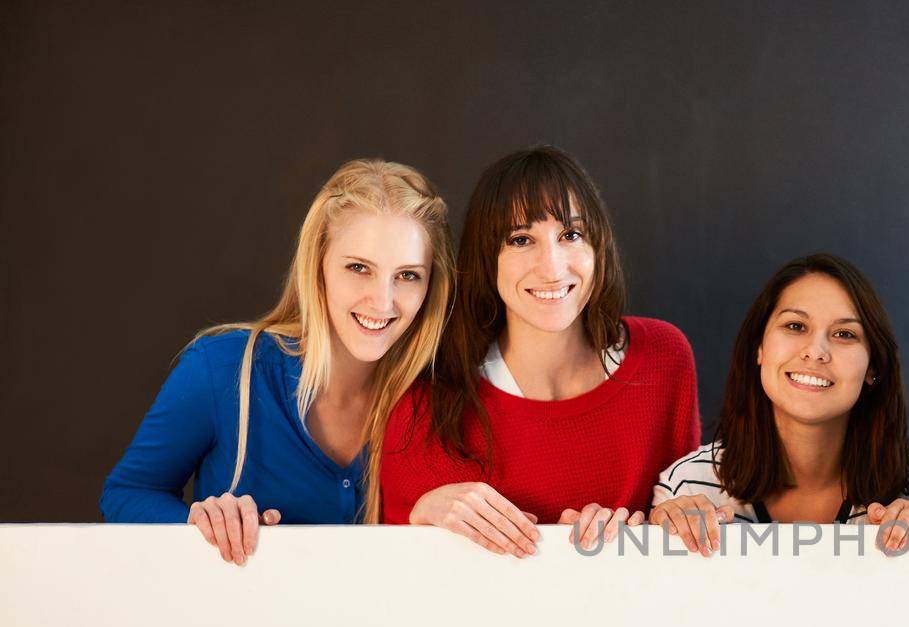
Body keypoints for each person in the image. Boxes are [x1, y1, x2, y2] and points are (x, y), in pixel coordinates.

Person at [101, 159, 453, 565]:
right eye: (359, 268)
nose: (383, 301)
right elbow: (125, 494)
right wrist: (199, 525)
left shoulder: (439, 399)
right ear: (317, 265)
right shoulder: (224, 367)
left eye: (408, 275)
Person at [380, 145, 699, 555]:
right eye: (520, 239)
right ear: (485, 258)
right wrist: (421, 515)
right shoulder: (424, 404)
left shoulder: (663, 359)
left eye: (571, 235)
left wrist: (653, 527)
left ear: (599, 246)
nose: (552, 267)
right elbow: (393, 575)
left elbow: (682, 526)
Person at [651, 253, 909, 556]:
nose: (816, 352)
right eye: (795, 326)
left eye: (844, 334)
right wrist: (663, 534)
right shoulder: (689, 485)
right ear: (759, 348)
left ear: (873, 367)